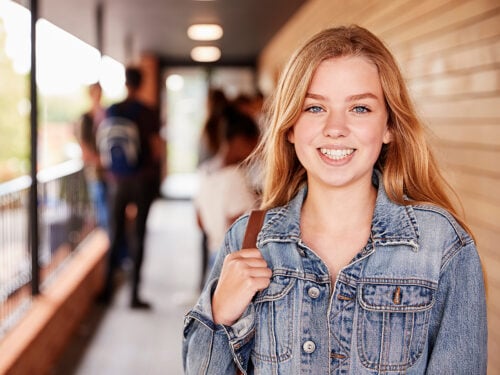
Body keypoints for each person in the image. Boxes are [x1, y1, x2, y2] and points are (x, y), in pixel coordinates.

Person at [182, 25, 487, 374]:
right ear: (291, 126)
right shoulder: (247, 241)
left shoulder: (443, 247)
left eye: (359, 108)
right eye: (315, 108)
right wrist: (219, 315)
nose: (336, 128)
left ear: (389, 126)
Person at [99, 66, 163, 309]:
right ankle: (134, 295)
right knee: (138, 235)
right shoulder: (148, 112)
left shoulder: (112, 110)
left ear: (125, 83)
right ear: (142, 83)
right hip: (142, 181)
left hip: (117, 181)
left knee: (114, 233)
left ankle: (106, 290)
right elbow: (156, 148)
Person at [194, 104, 261, 288]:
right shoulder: (234, 177)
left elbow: (199, 221)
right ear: (239, 141)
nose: (254, 153)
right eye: (253, 145)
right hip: (233, 260)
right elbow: (238, 228)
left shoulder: (206, 171)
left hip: (214, 253)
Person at [75, 82, 108, 230]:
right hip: (94, 170)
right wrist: (98, 160)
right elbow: (83, 144)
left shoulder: (106, 114)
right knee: (101, 207)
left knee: (109, 206)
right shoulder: (85, 118)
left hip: (109, 170)